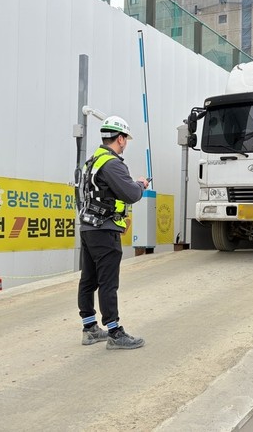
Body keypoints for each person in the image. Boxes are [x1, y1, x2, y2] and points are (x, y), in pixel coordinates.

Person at [78, 115, 150, 349]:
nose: (125, 143)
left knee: (88, 279)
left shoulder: (92, 162)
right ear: (120, 138)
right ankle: (114, 332)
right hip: (105, 229)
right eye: (125, 139)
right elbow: (131, 194)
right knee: (108, 282)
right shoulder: (112, 163)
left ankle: (90, 328)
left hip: (88, 228)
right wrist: (140, 184)